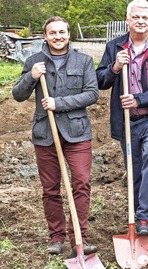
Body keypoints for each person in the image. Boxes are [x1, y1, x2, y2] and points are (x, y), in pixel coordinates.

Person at [12, 16, 99, 256]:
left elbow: (92, 94)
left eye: (62, 32)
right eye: (53, 33)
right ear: (45, 36)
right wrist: (31, 76)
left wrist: (57, 103)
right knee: (50, 188)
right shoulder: (34, 61)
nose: (58, 37)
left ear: (69, 34)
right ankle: (57, 237)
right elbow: (18, 95)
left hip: (77, 133)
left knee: (81, 183)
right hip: (45, 133)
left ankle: (78, 238)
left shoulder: (83, 61)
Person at [96, 0, 148, 248]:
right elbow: (101, 80)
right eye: (136, 17)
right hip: (126, 123)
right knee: (135, 173)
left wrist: (140, 98)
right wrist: (115, 66)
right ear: (128, 20)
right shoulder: (115, 46)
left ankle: (144, 216)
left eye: (145, 17)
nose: (141, 21)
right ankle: (144, 227)